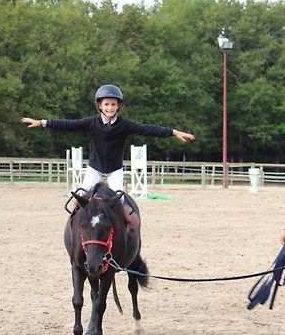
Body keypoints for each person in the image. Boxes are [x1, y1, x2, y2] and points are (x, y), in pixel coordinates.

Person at [21, 84, 195, 228]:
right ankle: (75, 225)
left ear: (119, 106)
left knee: (119, 199)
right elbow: (67, 124)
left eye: (113, 104)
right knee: (81, 196)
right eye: (106, 104)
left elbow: (148, 129)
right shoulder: (91, 123)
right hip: (94, 169)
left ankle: (122, 228)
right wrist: (42, 122)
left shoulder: (124, 125)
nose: (110, 108)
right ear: (99, 106)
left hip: (114, 171)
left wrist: (173, 132)